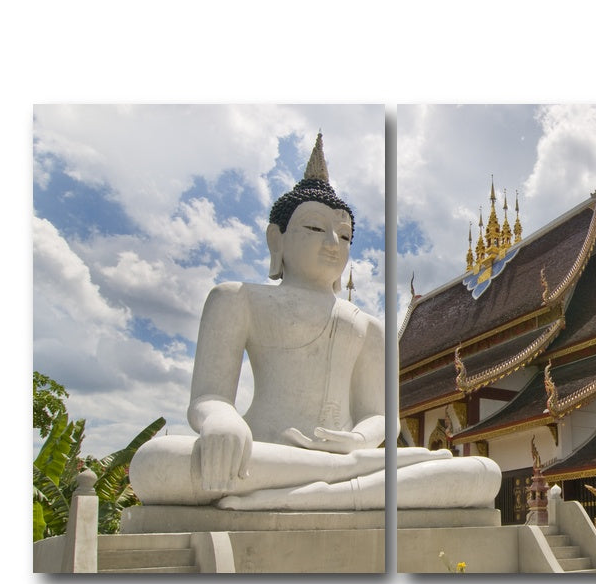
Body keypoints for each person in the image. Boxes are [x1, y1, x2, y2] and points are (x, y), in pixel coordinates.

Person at [129, 134, 501, 512]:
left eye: (344, 235)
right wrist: (222, 422)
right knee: (154, 463)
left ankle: (322, 493)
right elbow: (208, 397)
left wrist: (356, 443)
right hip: (262, 452)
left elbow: (379, 416)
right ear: (277, 240)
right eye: (313, 229)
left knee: (484, 473)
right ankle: (332, 486)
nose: (332, 243)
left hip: (346, 460)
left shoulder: (369, 327)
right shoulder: (238, 298)